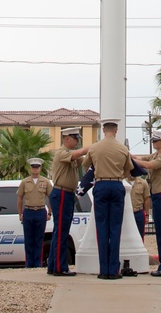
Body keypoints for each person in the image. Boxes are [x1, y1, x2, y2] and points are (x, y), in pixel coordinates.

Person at [69, 118, 133, 279]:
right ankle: (114, 269)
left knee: (102, 227)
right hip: (116, 185)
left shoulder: (95, 147)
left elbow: (86, 165)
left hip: (101, 185)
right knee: (115, 227)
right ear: (116, 130)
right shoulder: (122, 148)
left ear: (103, 130)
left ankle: (104, 270)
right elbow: (128, 170)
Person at [132, 129, 161, 275]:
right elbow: (142, 159)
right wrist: (127, 155)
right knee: (160, 232)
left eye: (156, 141)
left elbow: (148, 165)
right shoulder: (156, 154)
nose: (154, 143)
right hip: (157, 194)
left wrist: (129, 160)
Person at [48, 128, 81, 276]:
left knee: (60, 231)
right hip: (61, 193)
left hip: (67, 194)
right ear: (67, 138)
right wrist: (92, 147)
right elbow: (78, 154)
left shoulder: (70, 155)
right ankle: (60, 267)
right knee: (61, 231)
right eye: (75, 138)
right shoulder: (62, 153)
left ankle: (53, 265)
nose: (77, 141)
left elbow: (84, 159)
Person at [18, 158, 52, 269]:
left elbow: (51, 197)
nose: (35, 169)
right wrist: (20, 214)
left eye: (37, 167)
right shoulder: (25, 182)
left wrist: (50, 213)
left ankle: (37, 263)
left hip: (41, 211)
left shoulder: (45, 182)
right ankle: (29, 263)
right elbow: (20, 198)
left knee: (39, 239)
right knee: (28, 239)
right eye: (33, 167)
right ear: (30, 168)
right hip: (28, 211)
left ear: (40, 168)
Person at [131, 170, 151, 241]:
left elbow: (146, 200)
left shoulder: (143, 183)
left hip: (138, 212)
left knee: (140, 236)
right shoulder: (123, 182)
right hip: (127, 213)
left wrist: (147, 215)